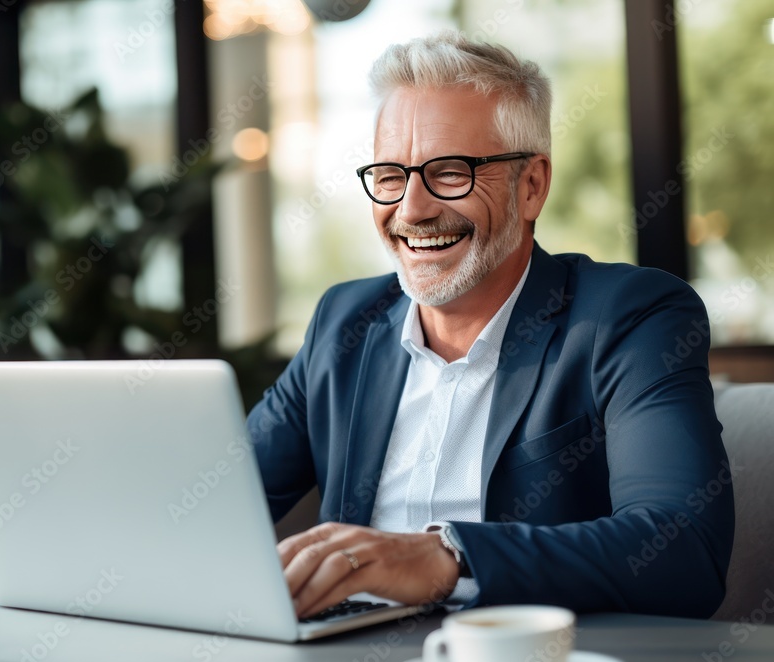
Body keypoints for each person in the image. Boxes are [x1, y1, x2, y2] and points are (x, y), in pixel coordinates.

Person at [246, 31, 734, 620]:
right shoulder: (343, 324)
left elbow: (682, 551)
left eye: (450, 172)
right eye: (391, 176)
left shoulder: (630, 317)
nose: (412, 209)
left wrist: (443, 558)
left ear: (531, 186)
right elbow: (210, 503)